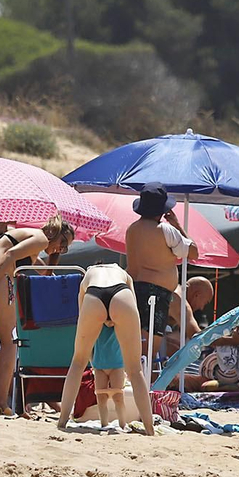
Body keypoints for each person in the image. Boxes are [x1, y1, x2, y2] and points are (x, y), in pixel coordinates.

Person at [0, 217, 75, 416]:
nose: (61, 249)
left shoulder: (32, 239)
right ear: (55, 233)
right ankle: (1, 402)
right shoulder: (40, 239)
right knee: (9, 342)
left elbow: (36, 266)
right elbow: (10, 255)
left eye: (66, 249)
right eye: (63, 243)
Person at [57, 263, 154, 436]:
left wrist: (100, 320)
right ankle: (149, 427)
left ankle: (63, 420)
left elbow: (81, 312)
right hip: (121, 293)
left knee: (78, 362)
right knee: (135, 370)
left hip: (93, 294)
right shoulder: (123, 273)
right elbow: (134, 307)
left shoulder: (88, 274)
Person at [124, 183, 193, 355]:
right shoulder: (165, 230)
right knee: (147, 352)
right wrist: (177, 225)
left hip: (131, 289)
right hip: (155, 294)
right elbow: (193, 252)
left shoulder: (131, 229)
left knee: (131, 347)